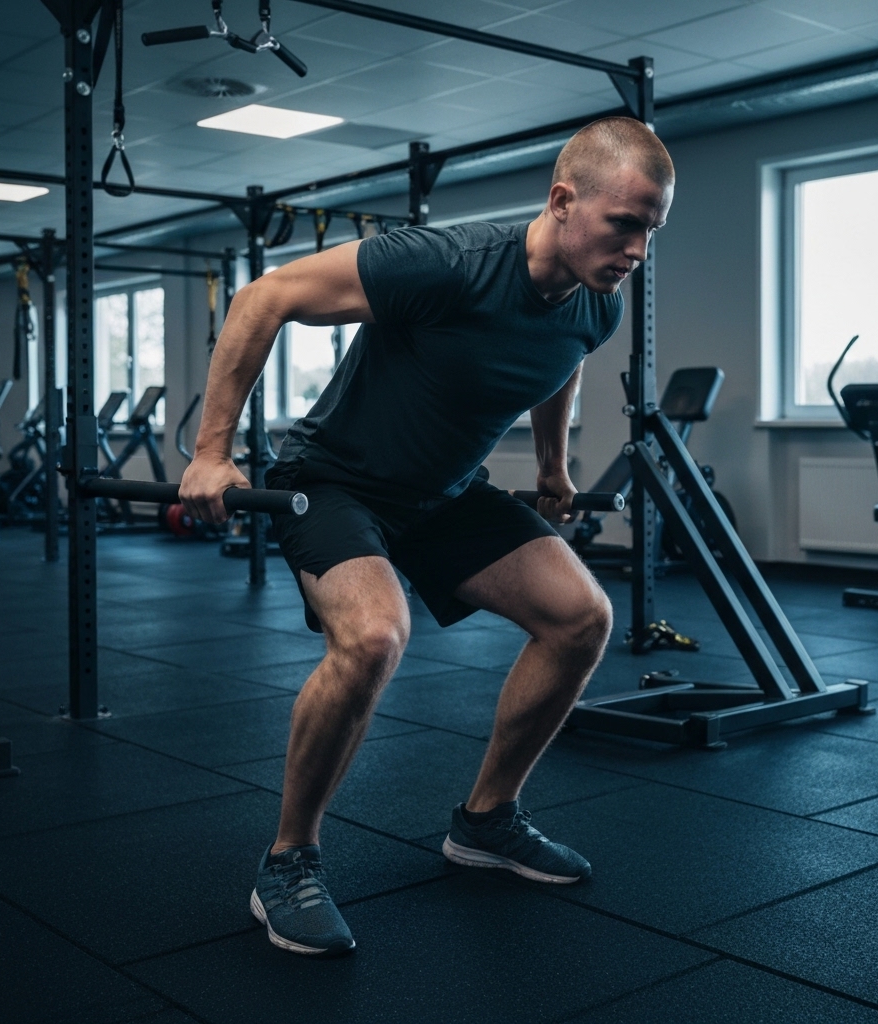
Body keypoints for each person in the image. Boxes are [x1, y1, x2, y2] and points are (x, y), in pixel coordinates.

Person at [179, 116, 675, 956]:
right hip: (334, 479)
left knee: (581, 619)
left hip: (441, 493)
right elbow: (267, 296)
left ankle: (486, 821)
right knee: (373, 636)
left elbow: (563, 362)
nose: (636, 247)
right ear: (562, 201)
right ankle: (288, 861)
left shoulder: (599, 304)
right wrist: (211, 452)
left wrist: (554, 469)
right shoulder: (446, 262)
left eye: (651, 230)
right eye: (624, 223)